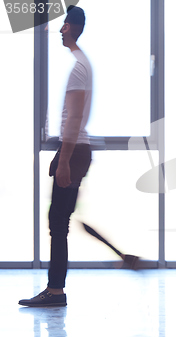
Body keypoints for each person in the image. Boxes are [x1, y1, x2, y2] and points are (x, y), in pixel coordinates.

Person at [19, 5, 92, 307]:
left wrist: (64, 159)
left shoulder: (79, 68)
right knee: (59, 219)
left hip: (74, 151)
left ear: (72, 27)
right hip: (75, 150)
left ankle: (55, 291)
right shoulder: (82, 64)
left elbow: (74, 119)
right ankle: (55, 288)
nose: (61, 30)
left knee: (58, 220)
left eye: (64, 25)